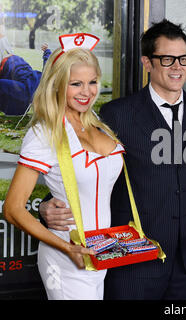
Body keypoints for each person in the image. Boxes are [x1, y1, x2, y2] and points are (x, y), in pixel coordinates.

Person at [39, 20, 186, 300]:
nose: (177, 66)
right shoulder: (117, 114)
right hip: (132, 258)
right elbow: (85, 169)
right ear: (147, 62)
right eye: (167, 59)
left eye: (183, 58)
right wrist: (47, 205)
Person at [3, 34, 124, 300]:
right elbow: (12, 209)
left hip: (101, 254)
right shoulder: (44, 133)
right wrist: (66, 248)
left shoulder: (100, 127)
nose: (87, 92)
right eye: (76, 84)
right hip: (66, 257)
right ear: (57, 85)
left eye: (92, 82)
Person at [0, 34, 51, 115]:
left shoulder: (48, 81)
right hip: (7, 63)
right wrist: (47, 52)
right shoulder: (26, 93)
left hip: (16, 62)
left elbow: (48, 64)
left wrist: (47, 51)